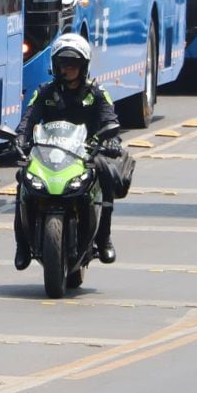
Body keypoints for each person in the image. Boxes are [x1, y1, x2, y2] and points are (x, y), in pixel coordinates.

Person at [12, 32, 121, 269]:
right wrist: (20, 138)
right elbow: (28, 119)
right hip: (48, 153)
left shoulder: (97, 93)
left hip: (86, 153)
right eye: (63, 63)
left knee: (106, 173)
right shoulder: (44, 92)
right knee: (23, 178)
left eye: (73, 63)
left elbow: (109, 120)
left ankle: (104, 238)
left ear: (84, 66)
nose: (68, 68)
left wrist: (111, 140)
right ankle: (22, 245)